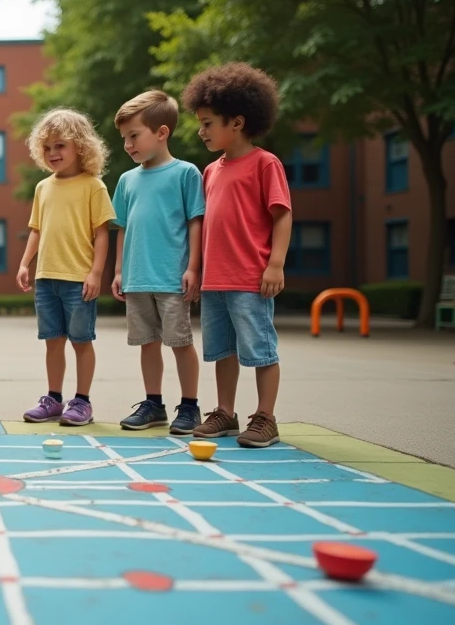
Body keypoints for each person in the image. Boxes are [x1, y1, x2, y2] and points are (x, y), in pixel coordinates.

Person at [182, 63, 292, 448]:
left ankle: (265, 417)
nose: (202, 130)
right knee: (222, 351)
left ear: (239, 121)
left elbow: (282, 215)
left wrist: (275, 263)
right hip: (215, 280)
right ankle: (225, 412)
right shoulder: (210, 171)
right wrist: (195, 270)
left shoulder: (265, 163)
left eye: (209, 123)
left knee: (260, 350)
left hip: (250, 278)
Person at [109, 90, 205, 435]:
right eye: (125, 138)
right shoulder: (127, 180)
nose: (128, 145)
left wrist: (194, 267)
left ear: (161, 132)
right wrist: (119, 270)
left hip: (171, 278)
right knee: (147, 343)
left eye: (134, 136)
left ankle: (191, 407)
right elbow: (121, 227)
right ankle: (154, 404)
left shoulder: (186, 173)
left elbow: (196, 221)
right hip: (136, 278)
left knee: (180, 343)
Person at [16, 108, 115, 427]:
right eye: (47, 147)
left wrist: (96, 273)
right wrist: (24, 263)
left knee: (81, 341)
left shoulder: (93, 186)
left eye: (60, 145)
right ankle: (53, 399)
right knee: (53, 340)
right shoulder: (43, 188)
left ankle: (82, 401)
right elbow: (36, 229)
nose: (53, 153)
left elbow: (102, 233)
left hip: (78, 279)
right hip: (47, 279)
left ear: (81, 147)